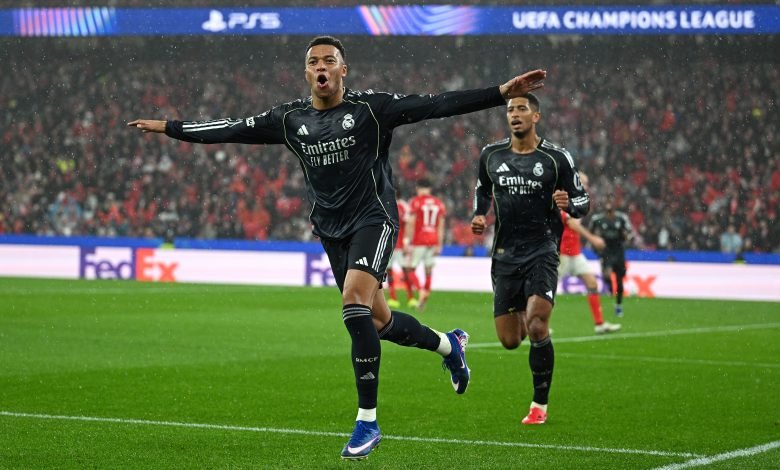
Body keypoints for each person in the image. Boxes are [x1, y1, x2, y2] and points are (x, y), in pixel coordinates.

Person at [128, 35, 546, 460]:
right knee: (378, 321)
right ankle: (448, 344)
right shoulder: (289, 119)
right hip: (331, 230)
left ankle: (368, 421)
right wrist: (171, 127)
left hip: (374, 219)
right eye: (314, 62)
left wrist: (499, 93)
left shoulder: (371, 110)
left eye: (329, 60)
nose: (321, 67)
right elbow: (231, 129)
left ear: (343, 70)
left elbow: (437, 104)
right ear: (306, 73)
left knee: (353, 306)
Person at [471, 92, 589, 426]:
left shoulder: (556, 158)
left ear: (535, 116)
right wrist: (479, 214)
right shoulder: (491, 155)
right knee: (510, 340)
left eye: (522, 108)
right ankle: (525, 306)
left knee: (537, 325)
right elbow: (482, 189)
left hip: (543, 249)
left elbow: (583, 201)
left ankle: (539, 404)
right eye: (510, 109)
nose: (515, 114)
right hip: (505, 254)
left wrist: (570, 205)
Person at [558, 173, 621, 335]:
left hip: (575, 253)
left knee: (592, 283)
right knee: (545, 289)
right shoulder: (564, 199)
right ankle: (537, 324)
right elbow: (572, 223)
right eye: (583, 182)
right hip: (562, 253)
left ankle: (599, 324)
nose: (585, 186)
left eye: (586, 183)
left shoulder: (579, 200)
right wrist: (593, 239)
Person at [404, 178, 446, 311]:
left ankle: (421, 290)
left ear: (418, 188)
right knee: (428, 271)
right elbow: (441, 226)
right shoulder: (439, 203)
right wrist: (439, 244)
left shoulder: (415, 202)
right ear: (430, 189)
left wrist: (407, 240)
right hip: (433, 240)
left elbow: (411, 222)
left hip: (419, 240)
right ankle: (424, 299)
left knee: (410, 269)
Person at [589, 201, 634, 317]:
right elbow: (590, 233)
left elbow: (630, 233)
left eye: (611, 211)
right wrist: (595, 245)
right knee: (607, 275)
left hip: (618, 250)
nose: (609, 213)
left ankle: (618, 304)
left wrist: (627, 237)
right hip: (606, 250)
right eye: (607, 211)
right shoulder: (597, 219)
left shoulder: (622, 218)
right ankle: (609, 287)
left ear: (614, 210)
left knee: (619, 280)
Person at [385, 194, 411, 309]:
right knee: (389, 272)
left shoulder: (403, 206)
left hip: (400, 245)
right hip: (388, 245)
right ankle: (392, 298)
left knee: (405, 271)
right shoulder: (385, 204)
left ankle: (411, 297)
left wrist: (406, 242)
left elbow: (408, 225)